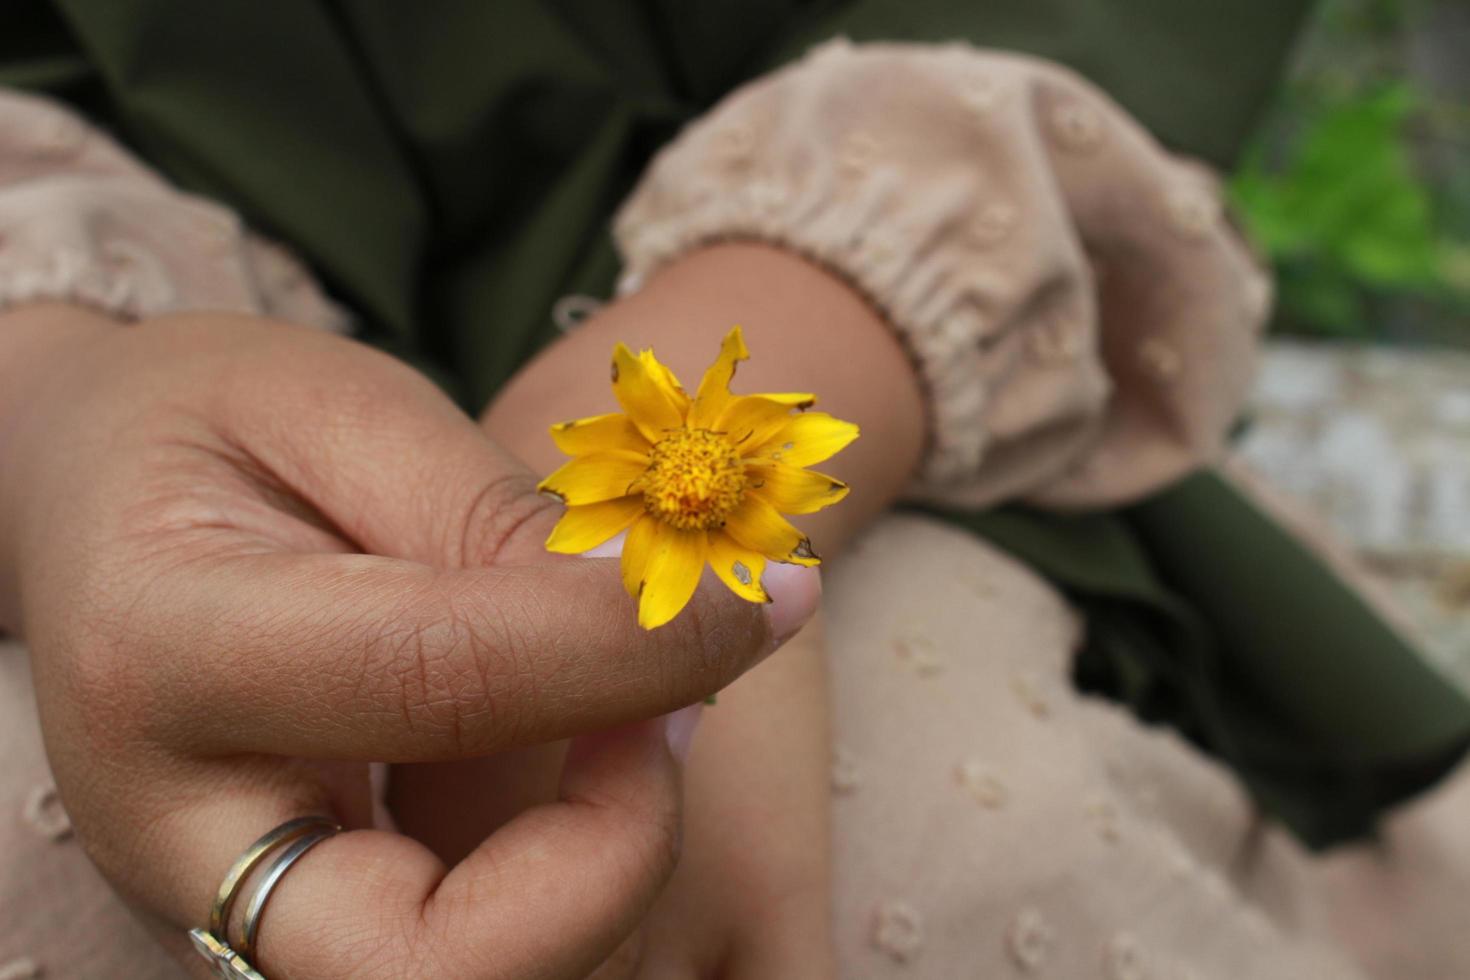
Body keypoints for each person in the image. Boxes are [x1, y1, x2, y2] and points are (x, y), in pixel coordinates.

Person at [2, 3, 1468, 978]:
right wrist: (55, 392)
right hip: (82, 343)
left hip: (877, 332)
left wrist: (803, 314)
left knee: (921, 816)